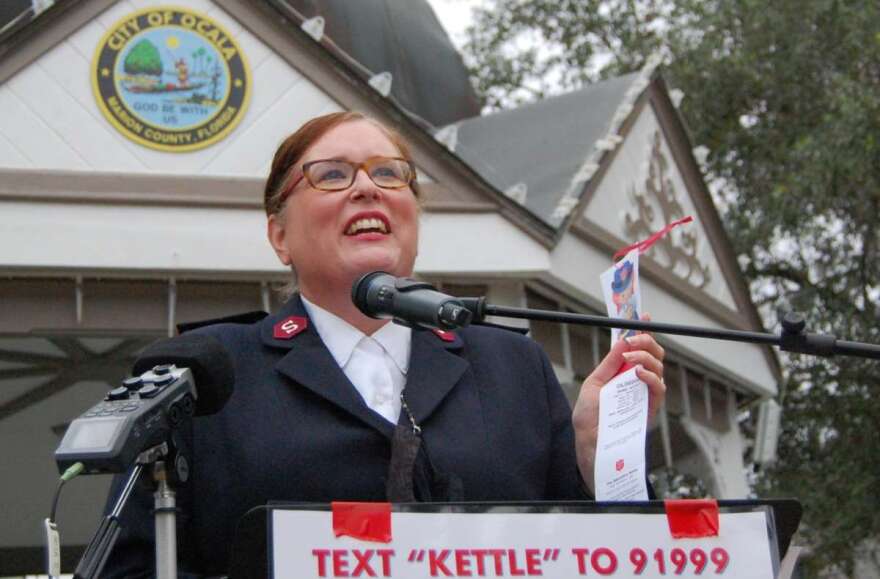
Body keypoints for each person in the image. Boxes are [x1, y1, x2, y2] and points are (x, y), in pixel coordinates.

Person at [102, 111, 665, 576]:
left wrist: (599, 461)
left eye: (390, 174)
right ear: (279, 236)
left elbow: (596, 553)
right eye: (331, 176)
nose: (367, 187)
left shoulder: (513, 366)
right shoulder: (207, 372)